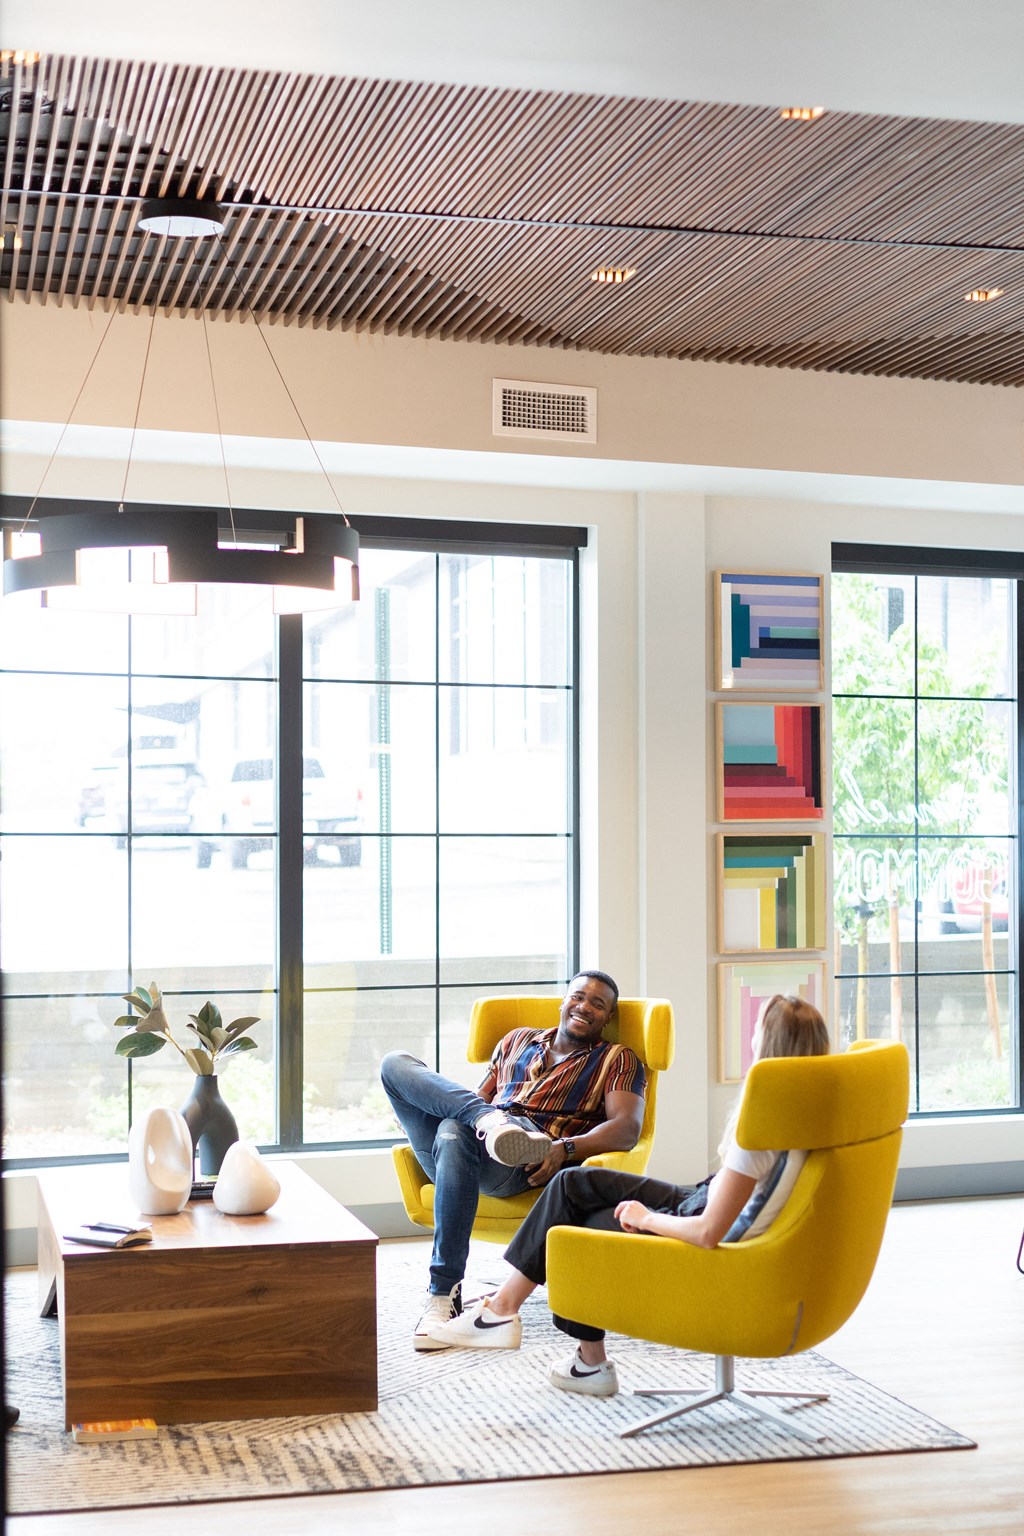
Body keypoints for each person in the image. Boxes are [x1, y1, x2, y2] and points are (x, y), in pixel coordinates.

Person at [425, 993, 830, 1396]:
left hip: (712, 1227)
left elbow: (709, 1232)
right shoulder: (812, 1109)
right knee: (572, 1184)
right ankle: (508, 1311)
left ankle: (573, 1353)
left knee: (579, 1227)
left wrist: (645, 1218)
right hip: (706, 1197)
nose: (752, 1039)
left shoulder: (758, 1129)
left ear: (770, 1046)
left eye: (758, 1031)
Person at [381, 970, 646, 1349]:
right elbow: (480, 1094)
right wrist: (432, 1108)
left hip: (521, 1160)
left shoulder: (617, 1058)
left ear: (608, 1018)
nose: (584, 1006)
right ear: (563, 1000)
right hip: (472, 1136)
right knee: (396, 1065)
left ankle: (442, 1295)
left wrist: (565, 1149)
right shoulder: (516, 1040)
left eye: (598, 1004)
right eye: (578, 996)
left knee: (457, 1131)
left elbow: (626, 1129)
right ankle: (491, 1121)